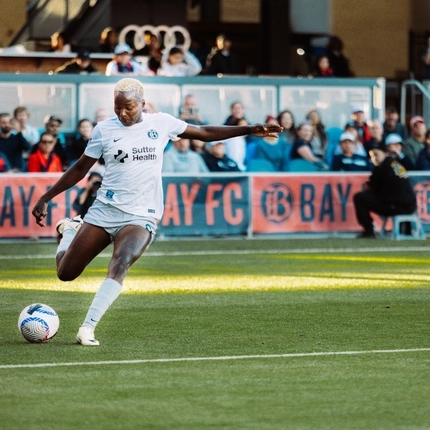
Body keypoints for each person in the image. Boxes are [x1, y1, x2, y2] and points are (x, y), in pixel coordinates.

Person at [31, 77, 282, 346]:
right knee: (66, 272)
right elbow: (81, 168)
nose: (122, 113)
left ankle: (87, 328)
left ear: (142, 103)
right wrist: (47, 196)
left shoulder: (161, 123)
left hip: (141, 215)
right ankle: (69, 230)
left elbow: (204, 132)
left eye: (128, 107)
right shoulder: (104, 130)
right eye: (117, 108)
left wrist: (247, 129)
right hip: (105, 211)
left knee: (121, 261)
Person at [353, 140, 417, 238]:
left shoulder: (382, 168)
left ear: (385, 153)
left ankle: (369, 230)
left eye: (376, 154)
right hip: (410, 205)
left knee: (359, 197)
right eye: (371, 156)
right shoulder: (395, 164)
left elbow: (369, 188)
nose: (373, 158)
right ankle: (406, 230)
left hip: (396, 206)